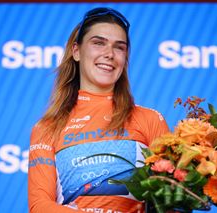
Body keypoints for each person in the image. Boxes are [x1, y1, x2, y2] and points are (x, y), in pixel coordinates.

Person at [28, 7, 169, 213]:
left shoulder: (150, 119)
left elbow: (172, 201)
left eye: (119, 47)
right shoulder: (47, 128)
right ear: (76, 51)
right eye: (98, 43)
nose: (109, 54)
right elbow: (39, 206)